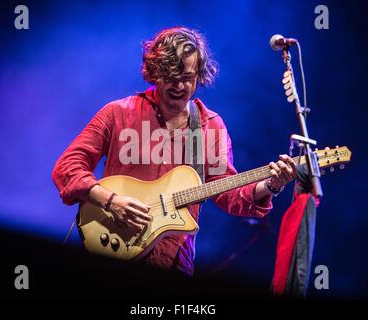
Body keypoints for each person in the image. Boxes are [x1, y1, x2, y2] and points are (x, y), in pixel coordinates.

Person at [52, 26, 297, 276]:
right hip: (109, 249)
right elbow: (68, 167)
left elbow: (229, 193)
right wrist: (110, 201)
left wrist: (271, 185)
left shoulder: (209, 125)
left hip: (172, 262)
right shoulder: (118, 112)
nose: (179, 86)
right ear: (155, 71)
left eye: (188, 78)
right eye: (171, 76)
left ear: (200, 75)